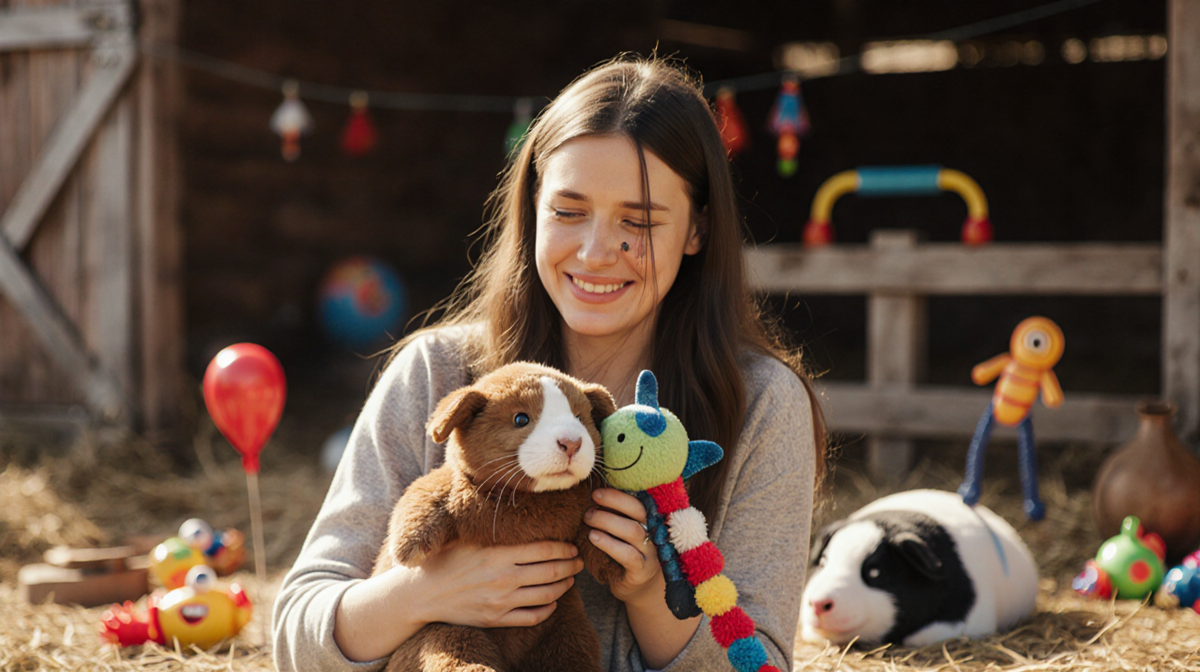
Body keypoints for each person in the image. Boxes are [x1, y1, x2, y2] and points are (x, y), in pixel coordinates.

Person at [273, 55, 827, 672]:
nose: (595, 253)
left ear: (697, 230)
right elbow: (297, 633)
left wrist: (650, 596)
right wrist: (423, 592)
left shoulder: (761, 403)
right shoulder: (437, 373)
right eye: (568, 211)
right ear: (533, 207)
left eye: (637, 221)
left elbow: (766, 660)